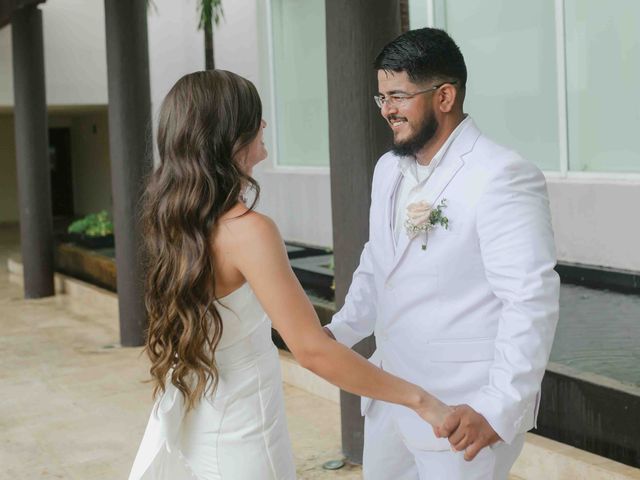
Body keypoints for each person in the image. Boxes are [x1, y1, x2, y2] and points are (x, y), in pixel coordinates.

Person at [128, 69, 452, 480]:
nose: (263, 126)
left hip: (202, 420)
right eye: (255, 117)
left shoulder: (176, 222)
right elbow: (311, 351)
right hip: (245, 437)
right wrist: (420, 400)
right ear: (229, 135)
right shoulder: (248, 230)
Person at [323, 28, 560, 479]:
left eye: (397, 96)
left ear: (445, 96)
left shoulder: (501, 175)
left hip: (462, 411)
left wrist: (497, 407)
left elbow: (530, 299)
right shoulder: (388, 168)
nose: (387, 110)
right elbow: (379, 262)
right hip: (390, 398)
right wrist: (340, 333)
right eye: (382, 98)